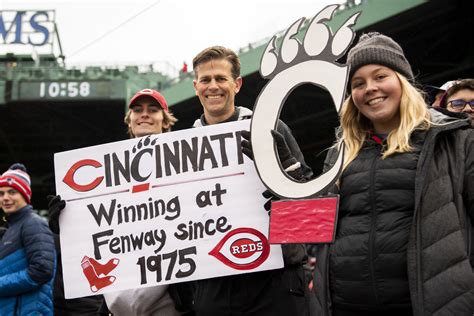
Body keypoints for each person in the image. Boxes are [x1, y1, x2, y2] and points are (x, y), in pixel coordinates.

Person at [307, 32, 474, 315]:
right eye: (358, 83)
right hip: (348, 306)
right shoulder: (340, 154)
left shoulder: (454, 140)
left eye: (380, 76)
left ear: (402, 81)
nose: (369, 88)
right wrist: (289, 177)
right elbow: (312, 230)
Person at [188, 45, 313, 316]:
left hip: (277, 279)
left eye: (221, 78)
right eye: (206, 80)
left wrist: (286, 174)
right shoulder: (178, 149)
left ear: (237, 83)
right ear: (195, 85)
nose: (213, 86)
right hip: (215, 285)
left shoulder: (271, 128)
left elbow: (311, 215)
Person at [48, 89, 181, 316]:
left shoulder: (183, 161)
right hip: (119, 302)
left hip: (170, 301)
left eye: (153, 110)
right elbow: (97, 229)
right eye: (137, 110)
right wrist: (66, 225)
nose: (144, 115)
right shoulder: (105, 173)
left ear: (165, 120)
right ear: (129, 121)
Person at [0, 163, 56, 315]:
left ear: (25, 195)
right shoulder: (11, 229)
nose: (5, 198)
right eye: (1, 193)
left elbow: (42, 270)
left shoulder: (33, 224)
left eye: (12, 192)